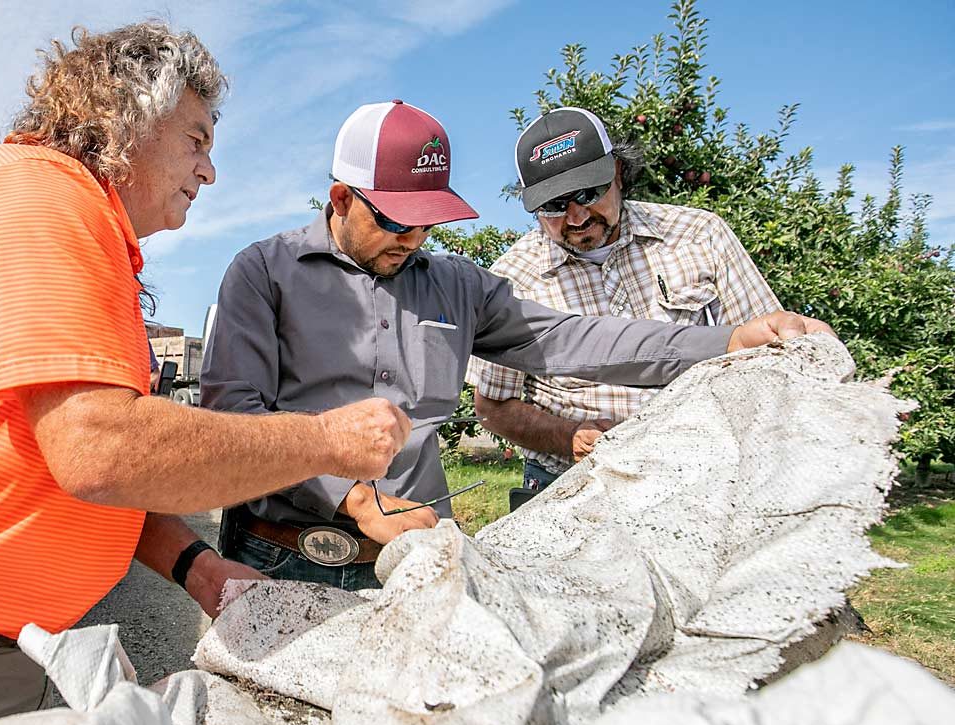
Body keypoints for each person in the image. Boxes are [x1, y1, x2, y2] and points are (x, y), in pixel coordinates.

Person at [0, 24, 408, 725]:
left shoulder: (69, 216)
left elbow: (74, 465)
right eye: (196, 141)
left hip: (3, 642)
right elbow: (100, 447)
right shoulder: (40, 202)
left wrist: (199, 565)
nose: (209, 171)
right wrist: (325, 442)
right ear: (123, 116)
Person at [201, 100, 831, 592]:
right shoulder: (264, 274)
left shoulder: (459, 285)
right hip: (284, 555)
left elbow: (571, 338)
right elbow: (236, 420)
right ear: (341, 198)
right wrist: (357, 498)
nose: (415, 237)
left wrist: (724, 341)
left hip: (417, 560)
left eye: (430, 220)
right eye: (395, 220)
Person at [467, 106, 787, 507]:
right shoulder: (514, 279)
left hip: (702, 481)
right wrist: (567, 438)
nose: (577, 215)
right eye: (554, 205)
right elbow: (494, 407)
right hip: (572, 490)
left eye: (588, 193)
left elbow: (768, 357)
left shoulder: (699, 236)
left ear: (617, 172)